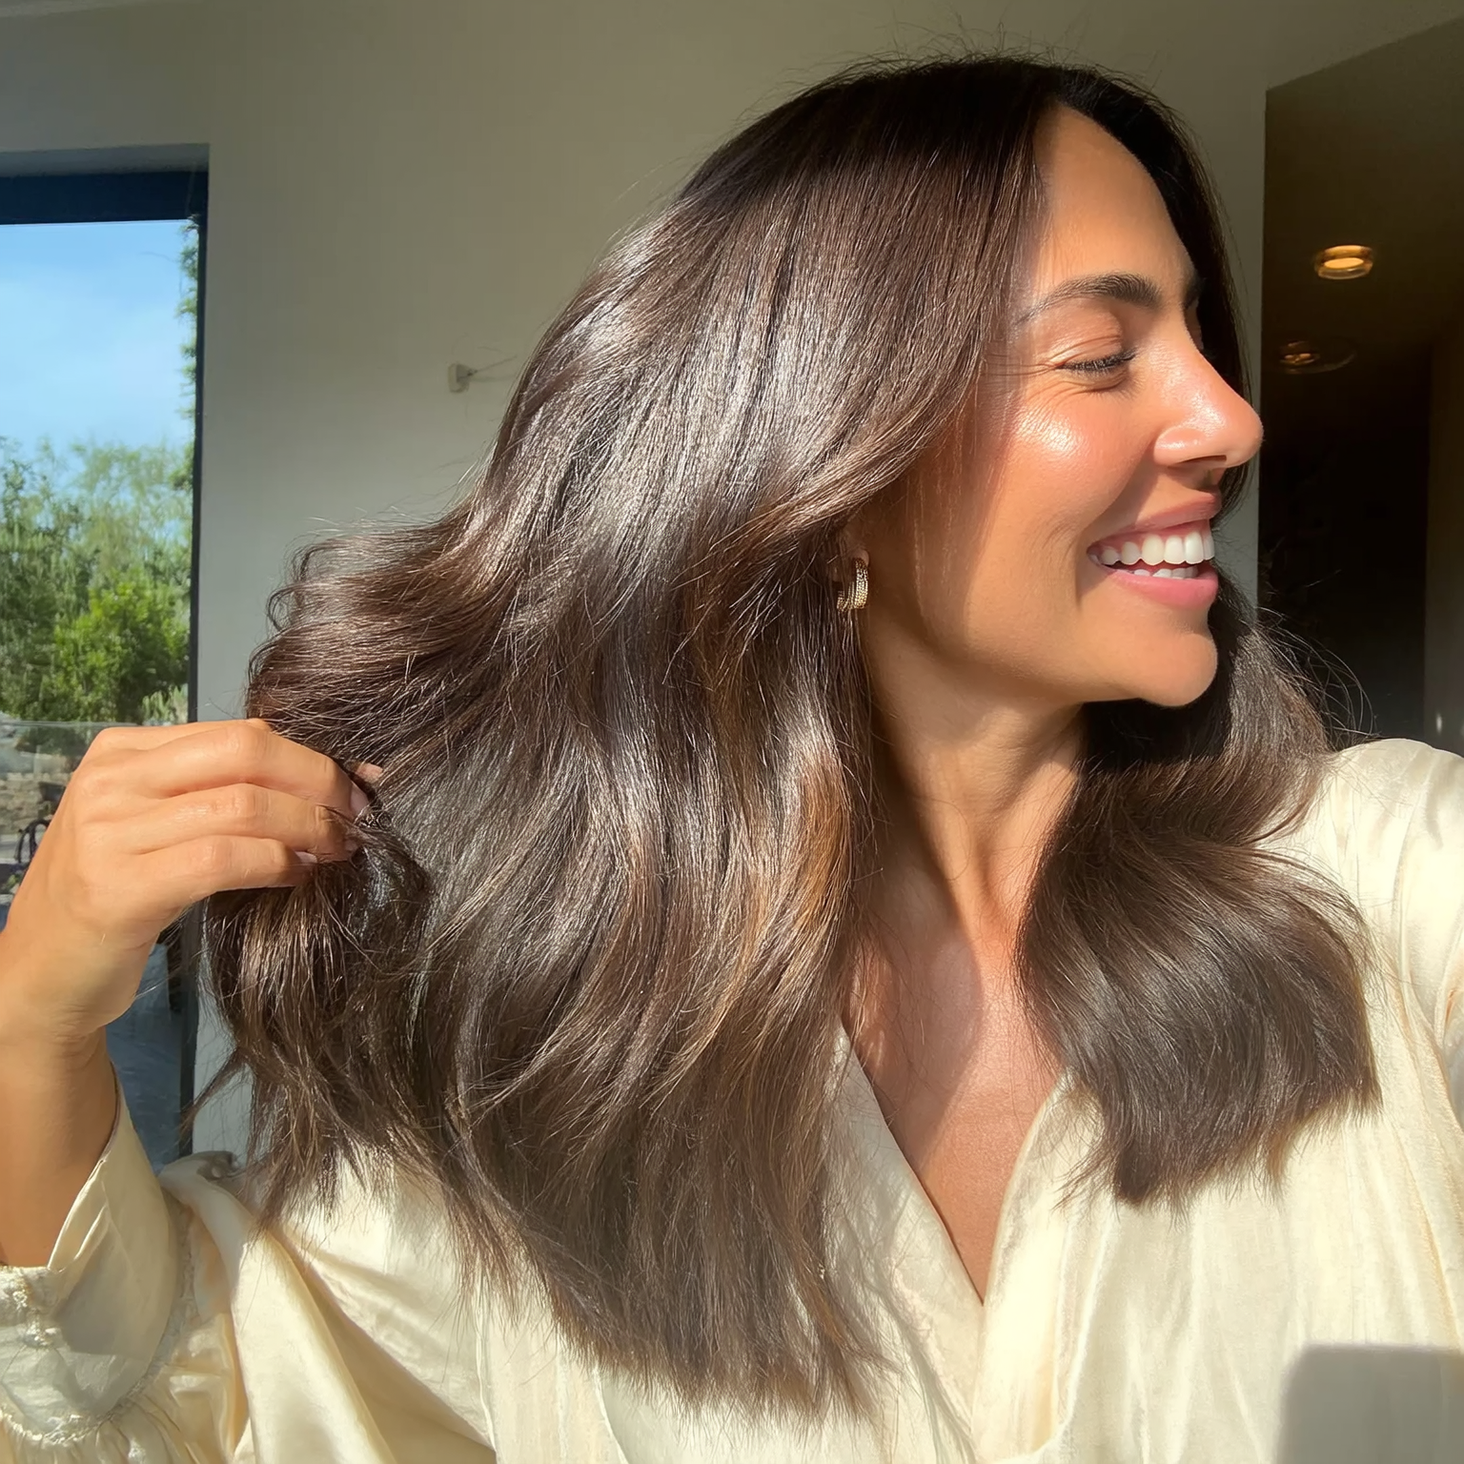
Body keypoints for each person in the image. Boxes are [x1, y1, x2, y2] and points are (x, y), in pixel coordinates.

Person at [2, 52, 1463, 1464]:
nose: (1232, 419)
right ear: (830, 466)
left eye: (1198, 338)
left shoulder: (1393, 887)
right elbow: (165, 1409)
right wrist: (30, 1024)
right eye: (1100, 358)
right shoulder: (569, 1058)